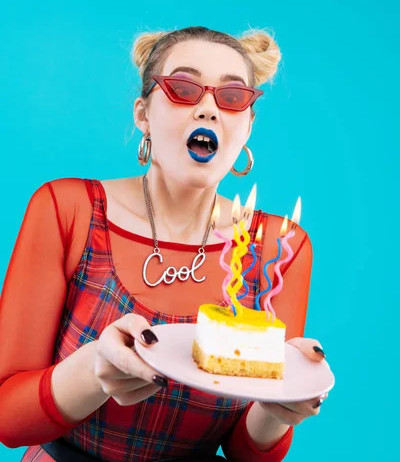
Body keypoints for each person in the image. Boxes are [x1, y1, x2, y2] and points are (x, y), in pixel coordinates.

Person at [0, 26, 327, 462]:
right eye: (184, 89)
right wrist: (94, 369)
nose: (209, 109)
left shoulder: (278, 249)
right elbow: (8, 418)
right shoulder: (68, 210)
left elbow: (249, 454)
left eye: (231, 98)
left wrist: (280, 408)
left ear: (247, 124)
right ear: (143, 113)